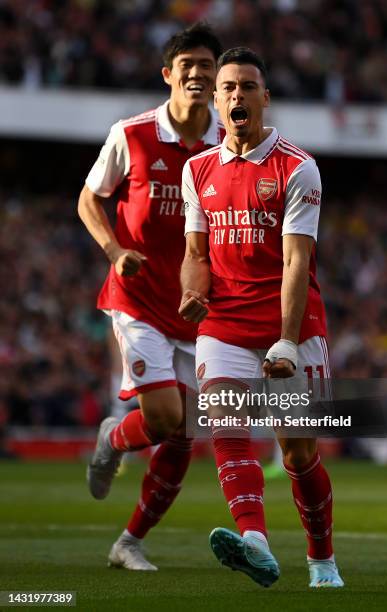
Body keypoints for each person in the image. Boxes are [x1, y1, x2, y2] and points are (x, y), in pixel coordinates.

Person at [179, 47, 344, 589]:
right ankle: (255, 542)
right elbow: (197, 254)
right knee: (226, 426)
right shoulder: (196, 169)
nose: (236, 95)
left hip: (287, 327)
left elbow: (298, 260)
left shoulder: (297, 167)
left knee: (297, 452)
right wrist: (190, 291)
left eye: (248, 86)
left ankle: (321, 559)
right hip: (224, 322)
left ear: (264, 98)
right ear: (216, 99)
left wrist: (288, 342)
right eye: (227, 87)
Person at [78, 23, 223, 571]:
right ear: (168, 76)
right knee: (164, 419)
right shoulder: (132, 135)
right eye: (186, 66)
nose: (196, 75)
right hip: (137, 299)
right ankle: (114, 439)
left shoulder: (228, 148)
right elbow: (89, 200)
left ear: (216, 80)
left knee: (184, 437)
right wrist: (115, 250)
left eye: (206, 67)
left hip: (193, 308)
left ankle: (129, 542)